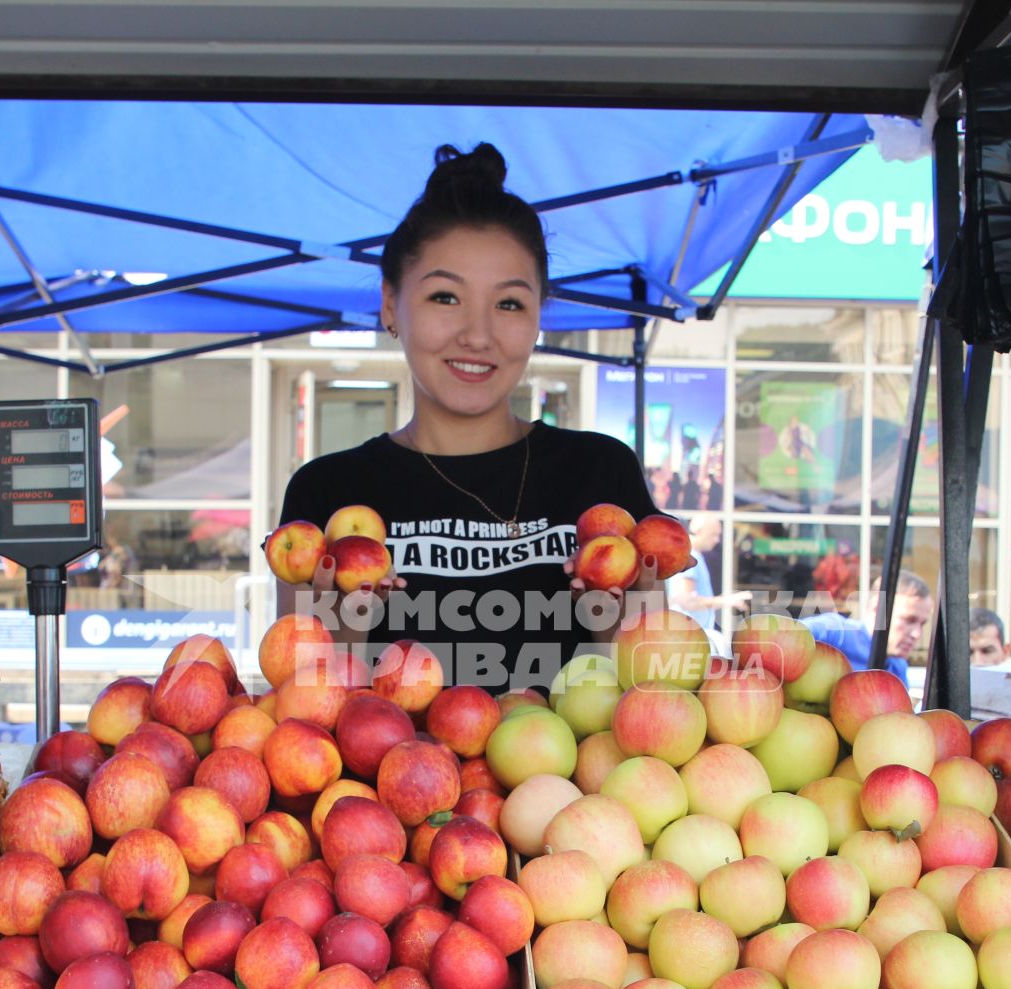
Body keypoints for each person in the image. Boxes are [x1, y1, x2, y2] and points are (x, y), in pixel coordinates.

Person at [275, 144, 662, 693]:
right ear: (390, 305)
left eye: (509, 304)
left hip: (571, 780)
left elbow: (655, 709)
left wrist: (623, 636)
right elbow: (298, 731)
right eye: (445, 297)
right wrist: (340, 645)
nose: (478, 335)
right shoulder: (327, 493)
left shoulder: (601, 476)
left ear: (537, 319)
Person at [804, 570, 934, 681]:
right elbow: (785, 637)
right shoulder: (833, 632)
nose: (916, 634)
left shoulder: (898, 667)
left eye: (922, 624)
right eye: (909, 620)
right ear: (876, 608)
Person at [668, 515, 750, 634]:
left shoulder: (694, 555)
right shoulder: (690, 557)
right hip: (688, 636)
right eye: (713, 534)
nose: (717, 540)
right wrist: (725, 601)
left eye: (718, 535)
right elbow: (687, 601)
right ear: (698, 530)